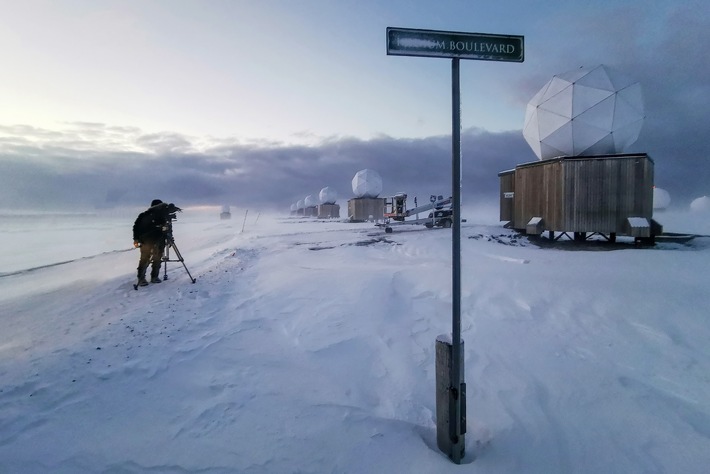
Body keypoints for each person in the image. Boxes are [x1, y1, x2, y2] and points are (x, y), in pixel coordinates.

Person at [132, 199, 169, 286]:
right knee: (145, 259)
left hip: (159, 240)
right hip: (147, 241)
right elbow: (136, 227)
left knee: (157, 258)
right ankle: (141, 278)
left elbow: (167, 229)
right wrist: (136, 239)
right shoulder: (144, 215)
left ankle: (154, 276)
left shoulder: (162, 217)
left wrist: (168, 235)